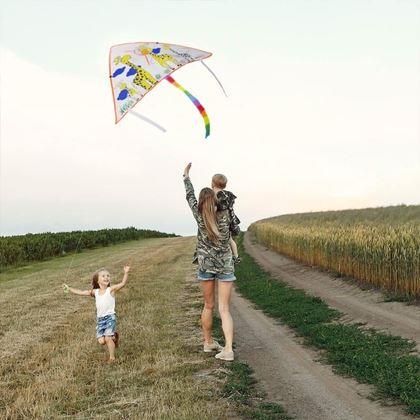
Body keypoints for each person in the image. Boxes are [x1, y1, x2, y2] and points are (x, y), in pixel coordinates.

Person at [183, 162, 235, 361]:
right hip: (225, 264)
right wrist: (217, 187)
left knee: (208, 305)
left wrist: (186, 176)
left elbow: (189, 195)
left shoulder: (199, 215)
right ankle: (228, 349)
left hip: (206, 265)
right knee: (224, 309)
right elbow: (226, 200)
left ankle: (208, 343)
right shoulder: (225, 213)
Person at [63, 265, 130, 363]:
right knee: (101, 341)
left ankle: (112, 357)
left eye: (108, 275)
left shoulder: (110, 290)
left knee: (107, 338)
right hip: (100, 320)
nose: (106, 277)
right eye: (103, 276)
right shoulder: (95, 292)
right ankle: (114, 337)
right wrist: (69, 288)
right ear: (97, 281)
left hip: (110, 317)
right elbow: (81, 292)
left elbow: (123, 283)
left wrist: (126, 272)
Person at [211, 173, 241, 263]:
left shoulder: (213, 194)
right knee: (230, 239)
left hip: (219, 220)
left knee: (218, 238)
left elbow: (215, 209)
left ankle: (218, 258)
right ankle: (236, 256)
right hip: (230, 218)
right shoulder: (228, 194)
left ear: (212, 183)